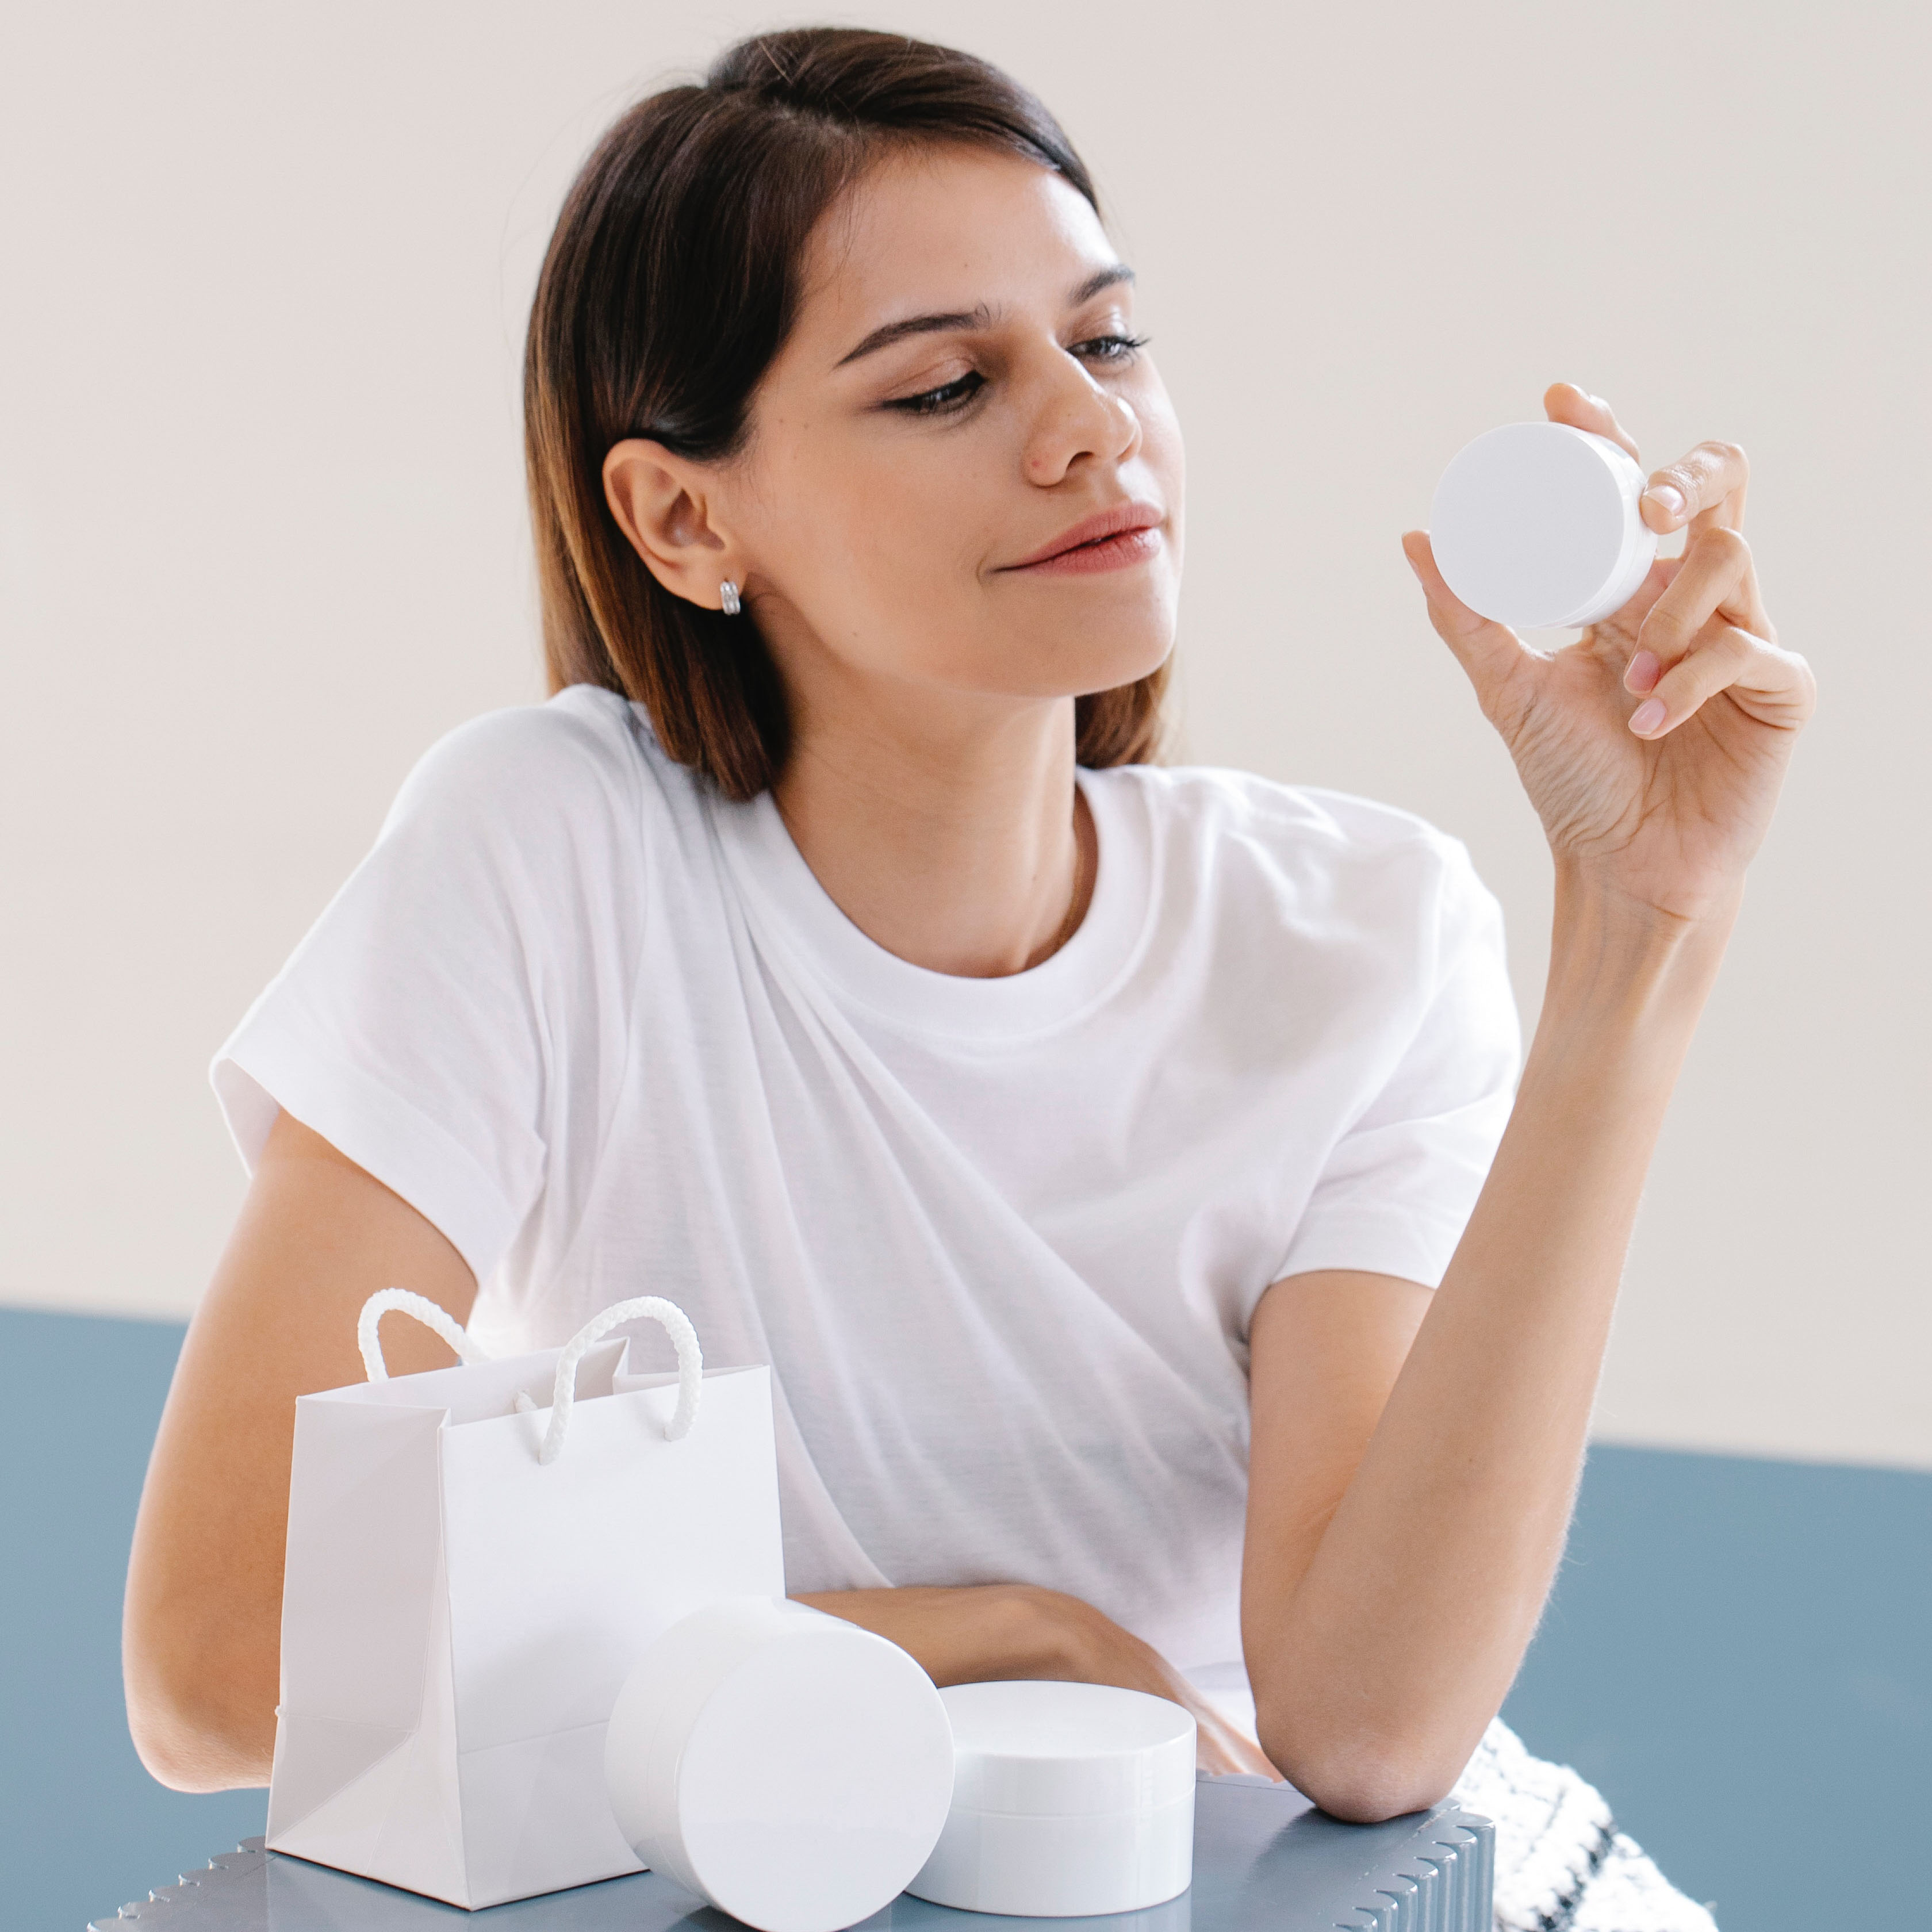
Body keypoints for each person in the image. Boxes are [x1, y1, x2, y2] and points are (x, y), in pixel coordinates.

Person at [124, 25, 1812, 1840]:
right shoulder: (547, 850)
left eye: (1107, 339)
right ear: (684, 515)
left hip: (1273, 1871)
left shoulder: (1359, 932)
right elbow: (224, 1665)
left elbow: (1368, 1733)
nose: (1094, 428)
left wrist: (1644, 931)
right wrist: (1009, 1643)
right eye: (946, 387)